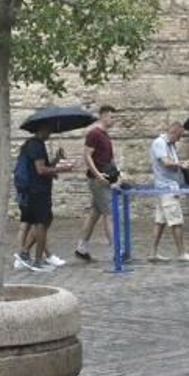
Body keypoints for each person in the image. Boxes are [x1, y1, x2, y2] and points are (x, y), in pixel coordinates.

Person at [15, 124, 75, 271]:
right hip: (37, 191)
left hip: (35, 191)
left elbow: (43, 167)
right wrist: (63, 168)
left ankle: (25, 253)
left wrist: (56, 159)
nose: (50, 132)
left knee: (45, 221)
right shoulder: (36, 145)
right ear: (41, 129)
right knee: (41, 224)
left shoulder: (34, 144)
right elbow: (41, 170)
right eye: (48, 129)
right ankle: (37, 260)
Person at [149, 122, 189, 262]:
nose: (180, 139)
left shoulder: (170, 145)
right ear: (174, 132)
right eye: (179, 136)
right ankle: (182, 253)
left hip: (167, 187)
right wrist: (181, 164)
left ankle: (152, 253)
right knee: (176, 221)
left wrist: (181, 163)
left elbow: (171, 162)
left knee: (160, 221)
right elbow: (166, 163)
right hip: (166, 188)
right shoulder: (160, 143)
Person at [75, 105, 117, 262]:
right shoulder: (94, 134)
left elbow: (109, 159)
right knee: (109, 214)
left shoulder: (105, 135)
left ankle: (81, 248)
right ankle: (116, 250)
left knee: (94, 214)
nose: (114, 120)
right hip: (98, 181)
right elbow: (87, 156)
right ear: (103, 117)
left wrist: (117, 176)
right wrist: (97, 174)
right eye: (112, 117)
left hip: (105, 179)